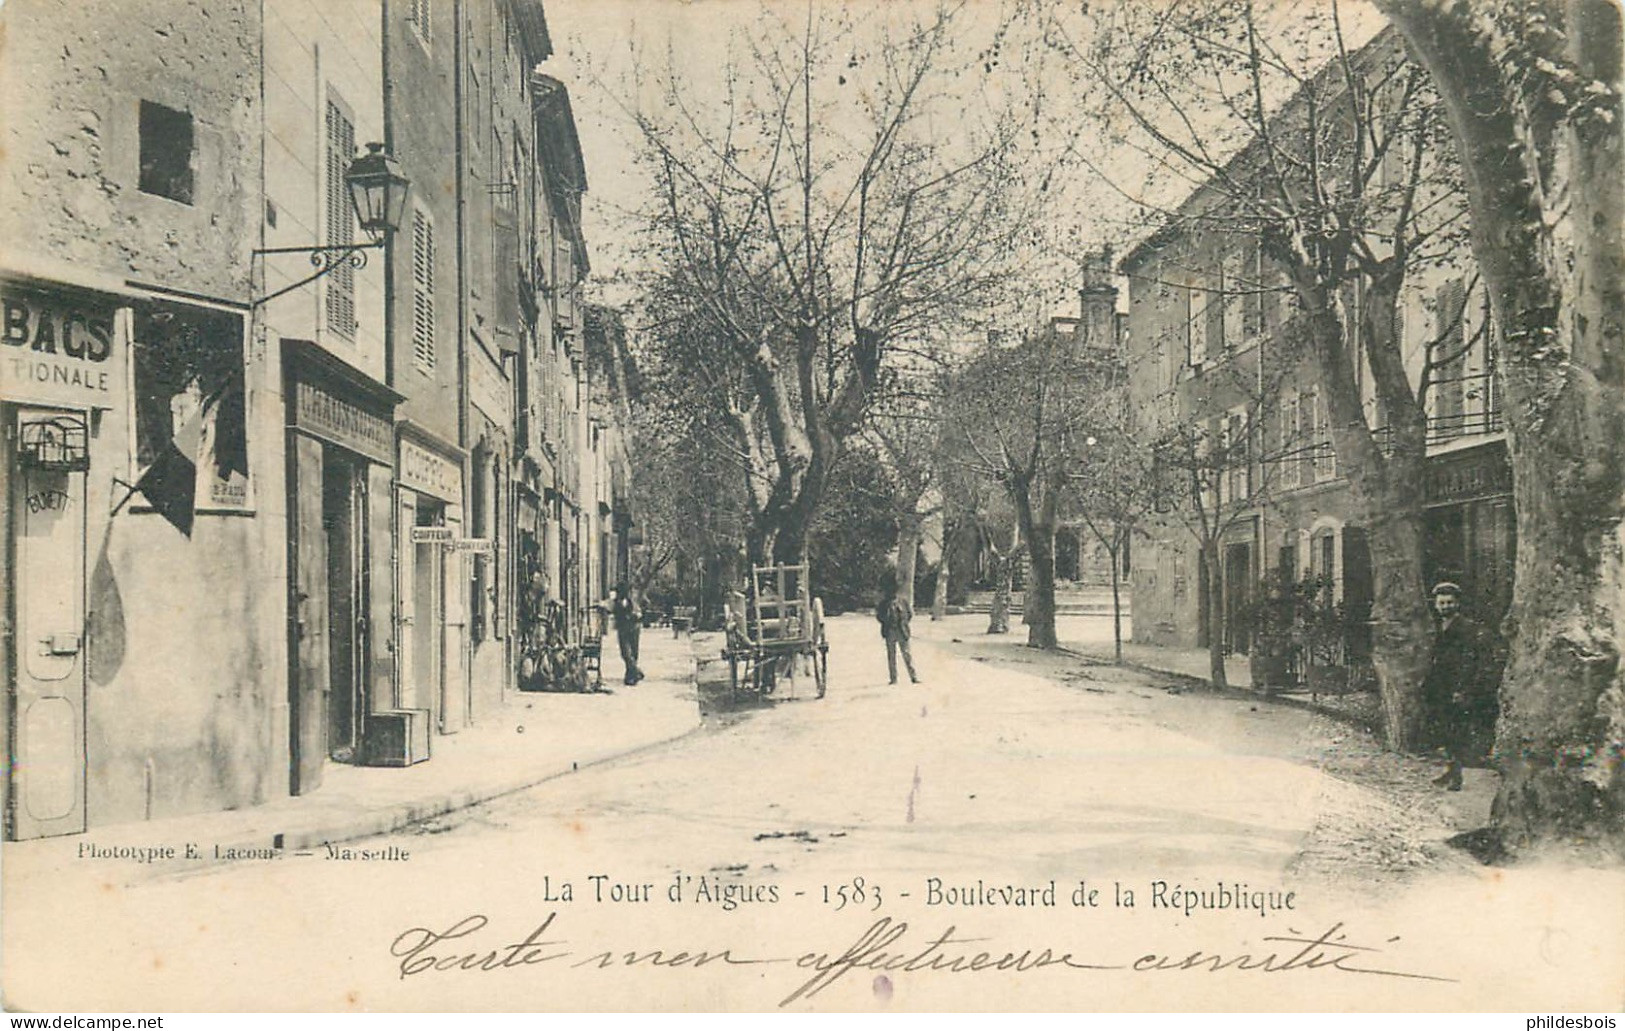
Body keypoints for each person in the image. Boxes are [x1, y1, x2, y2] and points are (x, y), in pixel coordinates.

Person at [1421, 581, 1495, 791]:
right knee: (1444, 730)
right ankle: (1450, 770)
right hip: (1440, 687)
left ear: (1457, 604)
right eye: (1441, 603)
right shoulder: (1438, 626)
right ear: (1436, 604)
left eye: (1450, 602)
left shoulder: (1467, 628)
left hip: (1457, 687)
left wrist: (1463, 689)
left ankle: (1457, 776)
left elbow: (1470, 661)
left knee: (1457, 732)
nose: (1445, 606)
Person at [874, 578, 920, 685]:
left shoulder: (903, 602)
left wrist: (904, 623)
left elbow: (909, 614)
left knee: (907, 655)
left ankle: (913, 677)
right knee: (891, 656)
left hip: (902, 631)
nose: (892, 594)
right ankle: (893, 679)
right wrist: (886, 622)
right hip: (889, 631)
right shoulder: (883, 604)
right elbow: (879, 616)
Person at [611, 581, 644, 685]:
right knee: (628, 653)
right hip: (627, 629)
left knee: (630, 653)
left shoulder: (628, 601)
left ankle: (633, 674)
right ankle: (633, 674)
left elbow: (638, 613)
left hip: (630, 628)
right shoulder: (619, 601)